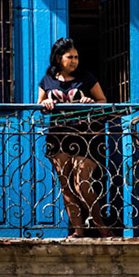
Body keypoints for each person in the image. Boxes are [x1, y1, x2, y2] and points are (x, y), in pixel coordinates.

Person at [38, 38, 114, 237]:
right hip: (58, 136)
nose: (74, 61)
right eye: (69, 57)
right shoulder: (47, 80)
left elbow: (102, 100)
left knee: (82, 183)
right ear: (58, 58)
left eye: (76, 57)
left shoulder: (86, 78)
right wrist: (45, 103)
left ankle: (102, 227)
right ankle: (78, 231)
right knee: (66, 185)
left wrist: (90, 101)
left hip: (84, 136)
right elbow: (39, 105)